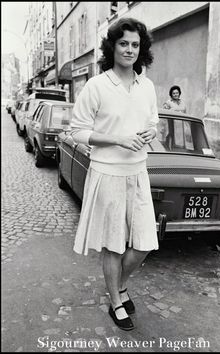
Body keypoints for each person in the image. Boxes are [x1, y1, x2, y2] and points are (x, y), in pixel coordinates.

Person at [71, 17, 159, 331]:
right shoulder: (97, 85)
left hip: (138, 171)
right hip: (107, 172)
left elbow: (153, 121)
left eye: (135, 44)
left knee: (145, 242)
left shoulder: (146, 85)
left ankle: (118, 285)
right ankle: (116, 301)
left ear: (142, 49)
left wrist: (150, 132)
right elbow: (77, 131)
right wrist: (118, 138)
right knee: (113, 244)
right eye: (124, 43)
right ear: (113, 46)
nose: (130, 50)